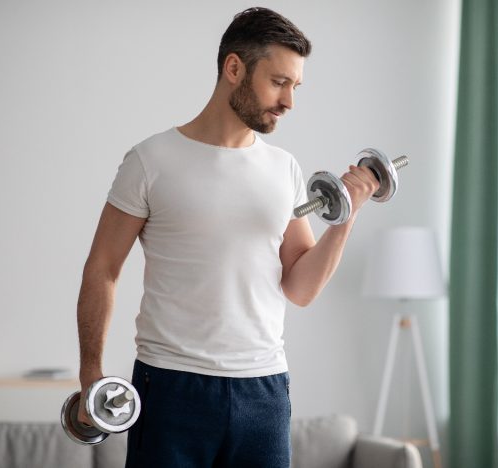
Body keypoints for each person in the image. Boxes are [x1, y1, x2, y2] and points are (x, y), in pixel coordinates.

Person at [76, 7, 379, 468]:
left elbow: (299, 288)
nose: (289, 102)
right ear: (233, 68)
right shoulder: (150, 160)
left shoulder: (284, 169)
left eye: (295, 87)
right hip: (170, 387)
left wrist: (344, 220)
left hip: (264, 391)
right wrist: (90, 375)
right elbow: (102, 269)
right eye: (279, 82)